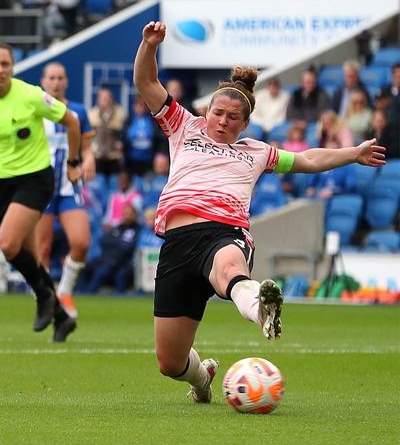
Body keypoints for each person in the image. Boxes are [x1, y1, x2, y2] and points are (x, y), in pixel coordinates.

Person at [133, 21, 385, 404]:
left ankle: (263, 310)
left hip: (224, 232)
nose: (222, 121)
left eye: (232, 118)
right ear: (208, 110)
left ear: (246, 123)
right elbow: (147, 84)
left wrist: (353, 153)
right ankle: (203, 380)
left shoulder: (256, 151)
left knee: (230, 270)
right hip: (177, 243)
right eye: (218, 113)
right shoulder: (184, 127)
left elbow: (307, 159)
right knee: (170, 362)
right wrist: (148, 46)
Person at [0, 42, 81, 343]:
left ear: (13, 67)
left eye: (5, 64)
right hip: (2, 182)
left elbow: (72, 121)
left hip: (36, 177)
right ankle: (62, 319)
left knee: (8, 243)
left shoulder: (30, 95)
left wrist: (73, 162)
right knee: (29, 254)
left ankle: (44, 297)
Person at [35, 62, 95, 319]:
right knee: (43, 249)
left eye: (61, 77)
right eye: (52, 78)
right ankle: (46, 300)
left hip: (70, 186)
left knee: (81, 242)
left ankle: (64, 292)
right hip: (43, 185)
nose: (56, 82)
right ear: (43, 82)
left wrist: (89, 160)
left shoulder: (78, 111)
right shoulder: (35, 111)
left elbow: (87, 149)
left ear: (66, 82)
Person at [77, 203, 140, 295]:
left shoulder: (136, 230)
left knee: (100, 273)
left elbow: (126, 249)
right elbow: (104, 241)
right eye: (125, 213)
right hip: (104, 258)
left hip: (120, 262)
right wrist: (117, 242)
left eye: (129, 213)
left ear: (135, 215)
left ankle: (89, 294)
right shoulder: (117, 228)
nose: (127, 216)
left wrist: (114, 242)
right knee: (82, 267)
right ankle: (81, 293)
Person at [88, 88, 127, 178]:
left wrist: (120, 142)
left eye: (107, 98)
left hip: (114, 158)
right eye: (102, 98)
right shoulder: (92, 114)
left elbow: (124, 133)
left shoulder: (121, 114)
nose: (105, 101)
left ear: (112, 99)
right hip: (98, 157)